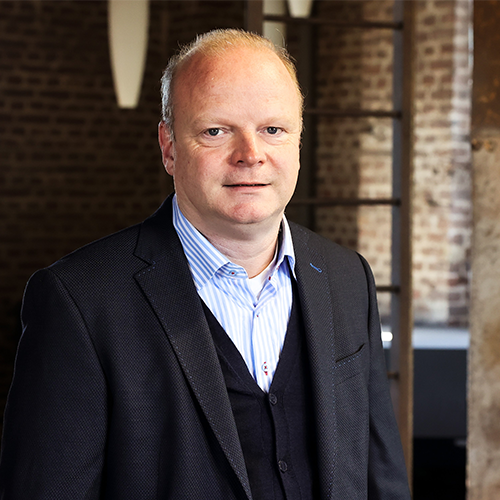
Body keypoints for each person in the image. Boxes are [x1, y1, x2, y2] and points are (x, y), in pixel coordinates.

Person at [0, 29, 410, 499]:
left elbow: (382, 481)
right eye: (216, 131)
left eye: (273, 130)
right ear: (169, 147)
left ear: (298, 141)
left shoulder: (347, 277)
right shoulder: (80, 302)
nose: (250, 155)